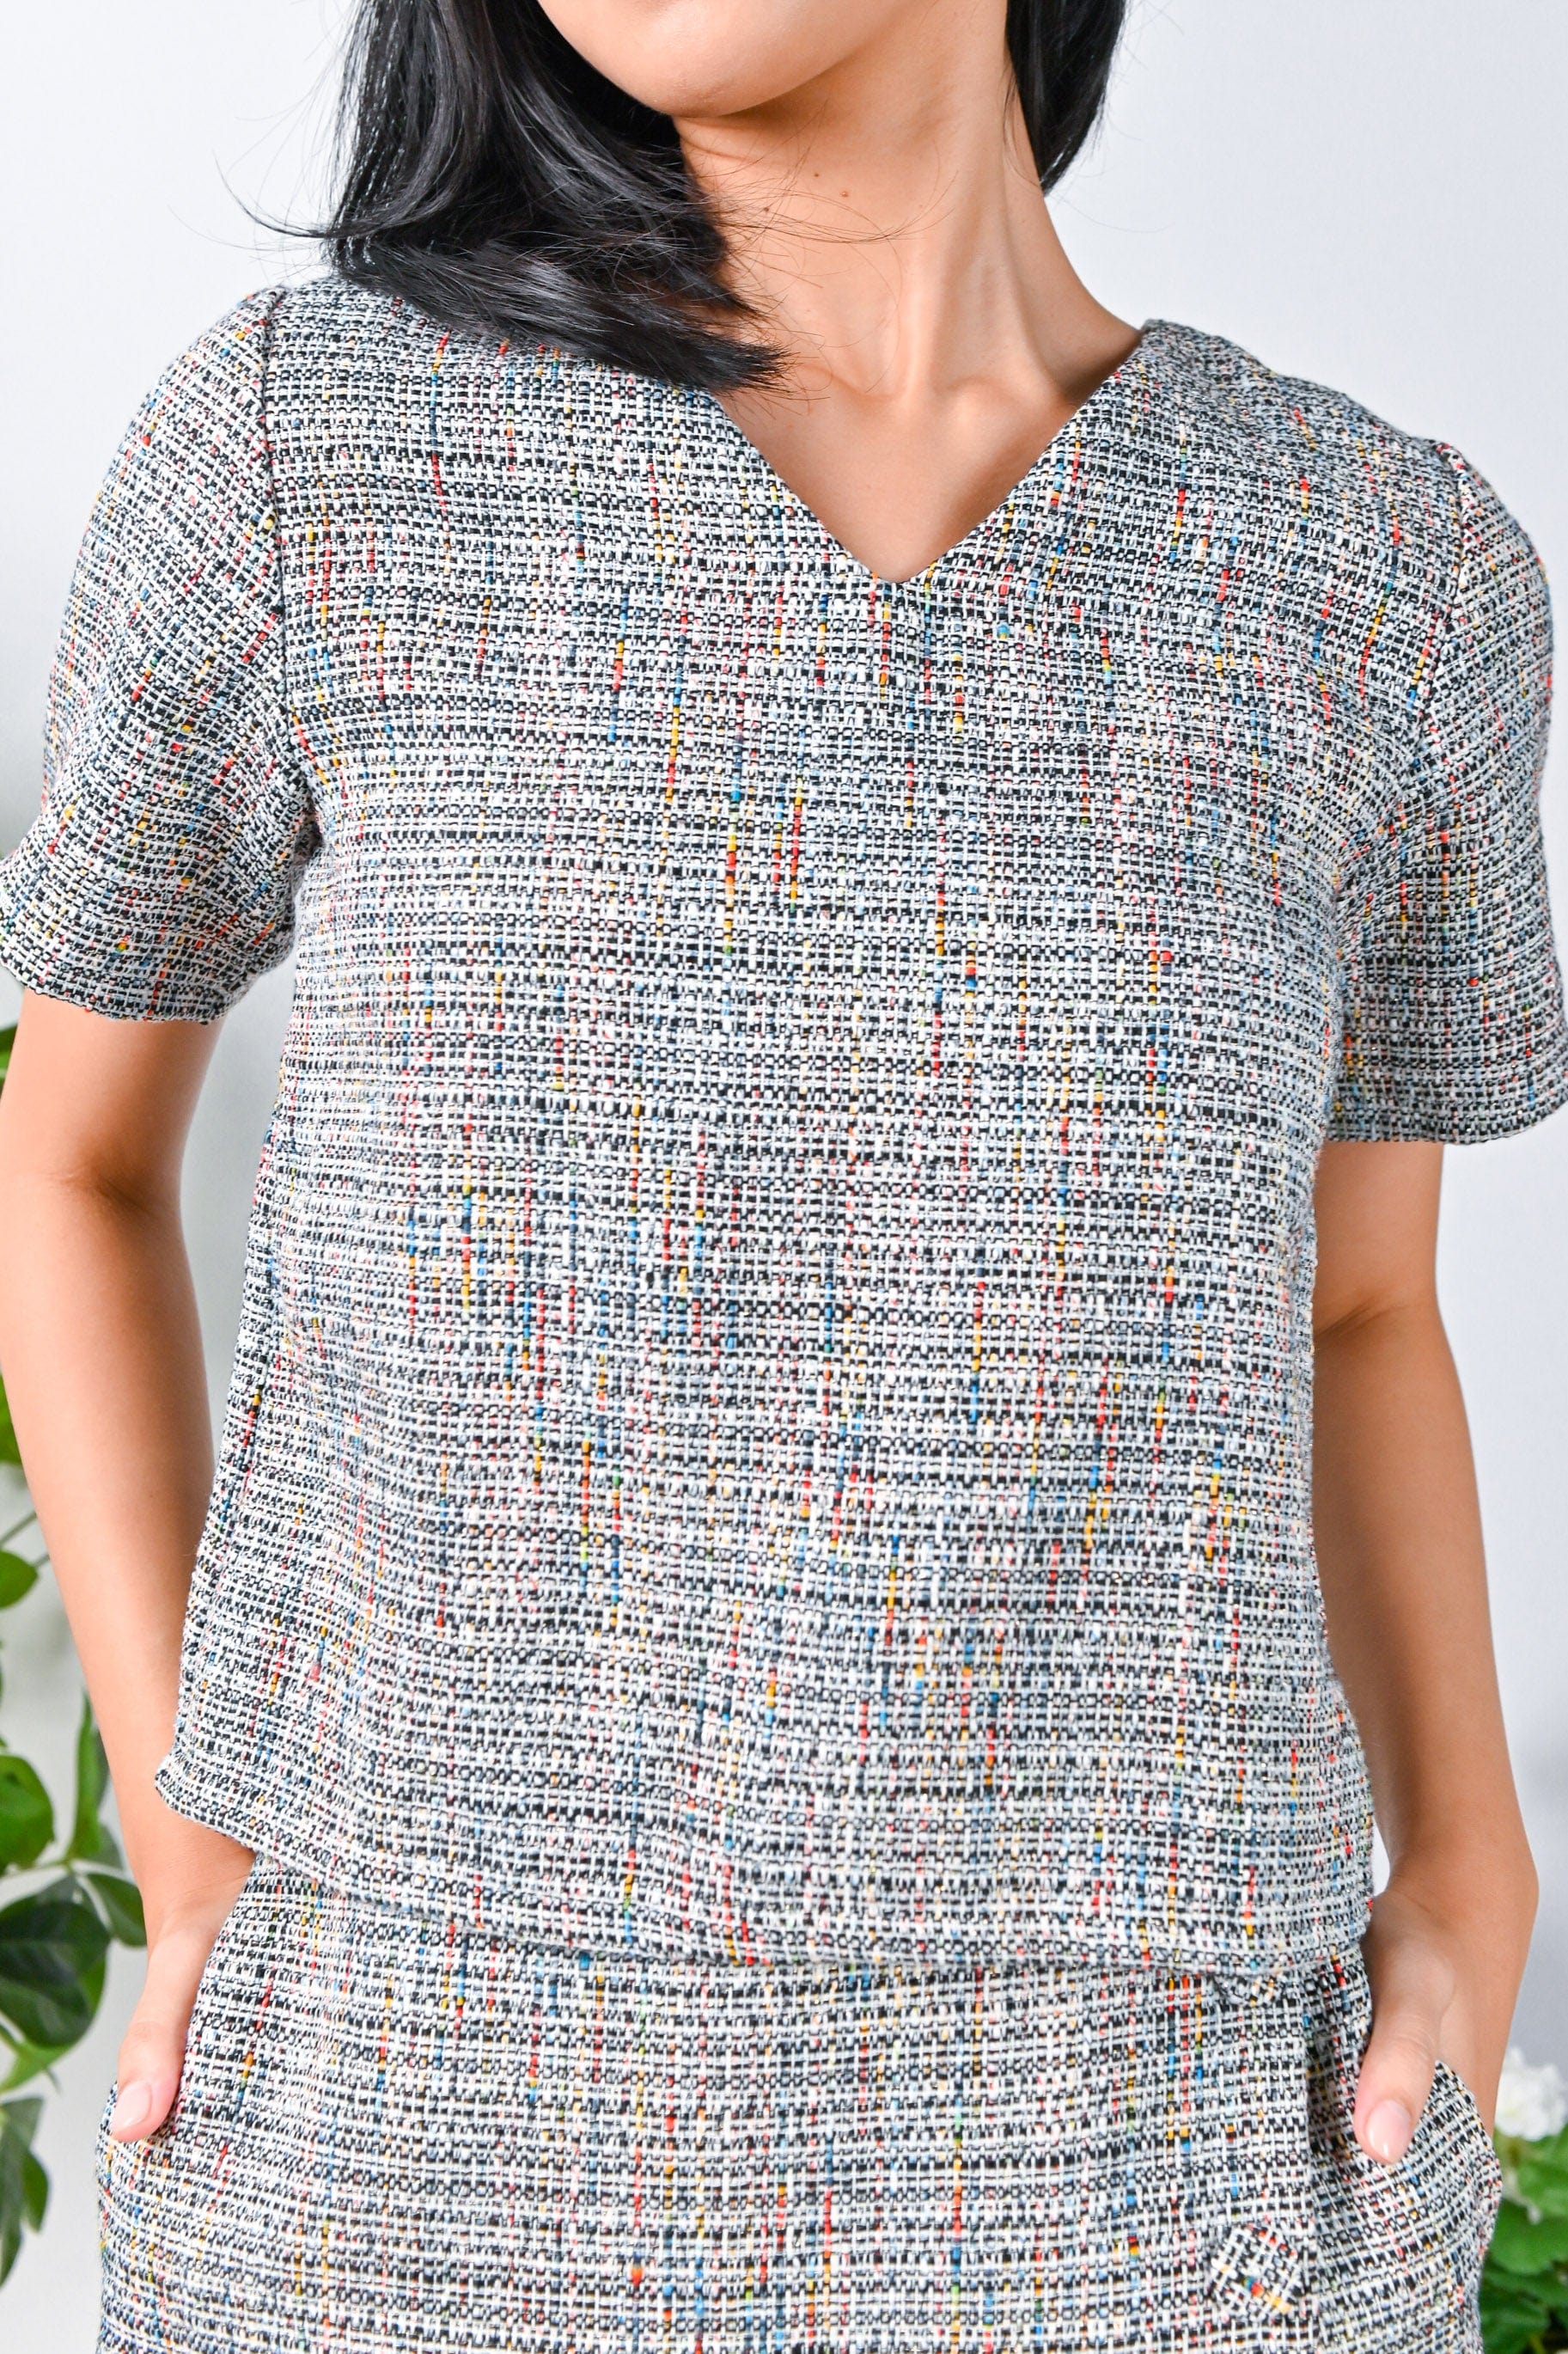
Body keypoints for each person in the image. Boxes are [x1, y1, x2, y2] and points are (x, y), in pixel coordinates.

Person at [0, 1, 1563, 2346]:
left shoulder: (1376, 574)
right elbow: (69, 1164)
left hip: (1172, 2186)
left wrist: (1465, 1854)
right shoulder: (303, 459)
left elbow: (1353, 1307)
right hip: (402, 2172)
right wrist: (185, 1826)